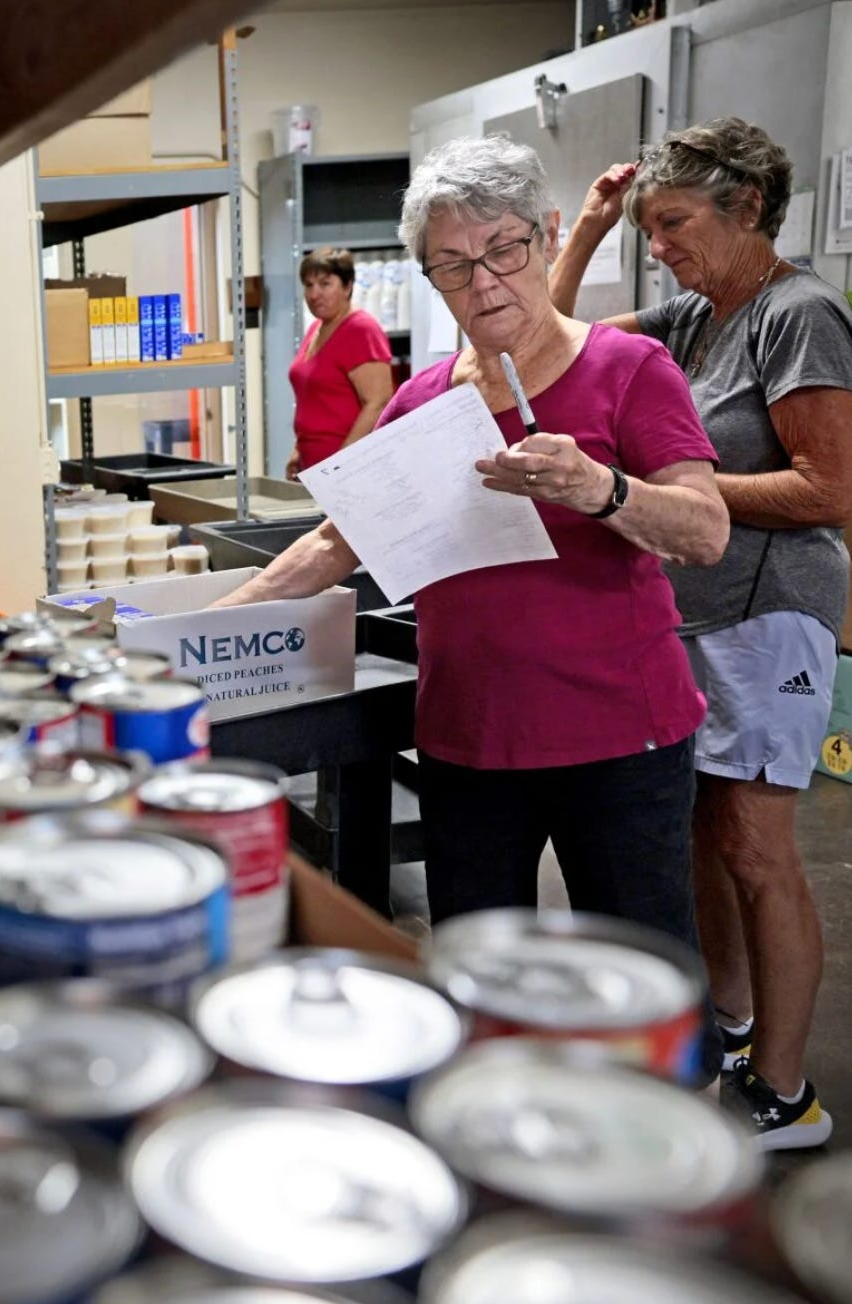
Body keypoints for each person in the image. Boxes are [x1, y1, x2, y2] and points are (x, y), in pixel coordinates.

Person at [214, 135, 731, 1081]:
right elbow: (335, 544)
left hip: (619, 742)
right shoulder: (421, 406)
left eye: (502, 250)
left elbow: (703, 531)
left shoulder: (625, 370)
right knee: (478, 997)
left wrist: (599, 489)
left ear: (542, 238)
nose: (484, 282)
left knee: (640, 995)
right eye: (452, 265)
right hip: (468, 744)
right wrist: (197, 632)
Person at [551, 117, 852, 1148]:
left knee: (756, 845)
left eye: (673, 224)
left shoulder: (797, 314)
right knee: (696, 830)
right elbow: (543, 346)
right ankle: (726, 1023)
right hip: (696, 614)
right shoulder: (689, 317)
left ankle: (782, 1093)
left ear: (748, 209)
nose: (660, 245)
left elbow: (829, 485)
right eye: (649, 229)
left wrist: (669, 492)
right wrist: (588, 229)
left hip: (771, 611)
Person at [285, 247, 394, 479]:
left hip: (350, 473)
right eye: (309, 285)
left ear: (347, 286)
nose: (314, 294)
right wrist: (298, 449)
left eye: (325, 284)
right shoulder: (317, 328)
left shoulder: (360, 329)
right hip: (314, 467)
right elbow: (314, 400)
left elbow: (378, 402)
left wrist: (341, 465)